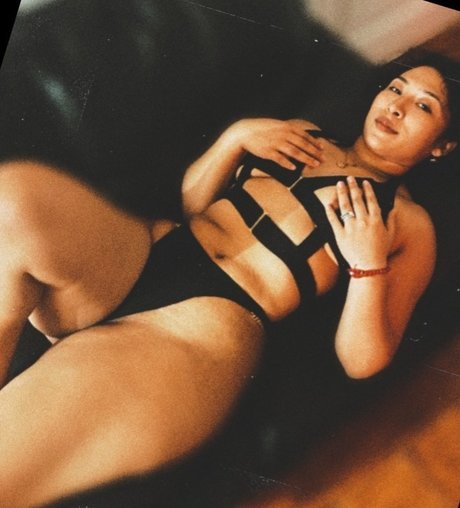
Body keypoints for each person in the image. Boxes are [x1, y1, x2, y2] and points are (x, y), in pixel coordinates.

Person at [0, 61, 458, 506]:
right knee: (15, 200)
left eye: (424, 105)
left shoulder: (408, 224)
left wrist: (367, 266)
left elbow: (363, 361)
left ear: (442, 146)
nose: (397, 106)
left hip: (198, 330)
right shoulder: (303, 134)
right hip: (147, 255)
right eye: (396, 88)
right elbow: (194, 206)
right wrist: (235, 139)